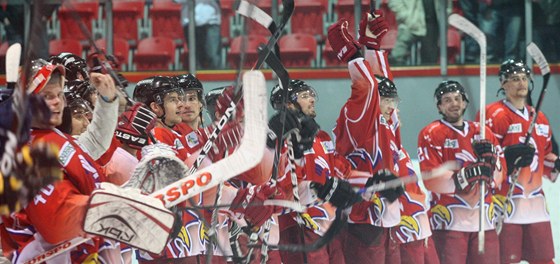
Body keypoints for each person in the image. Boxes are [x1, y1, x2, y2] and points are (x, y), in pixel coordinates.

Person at [0, 59, 148, 263]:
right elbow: (57, 221)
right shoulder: (27, 153)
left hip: (83, 251)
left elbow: (94, 141)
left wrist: (106, 100)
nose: (57, 102)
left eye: (59, 95)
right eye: (46, 96)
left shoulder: (52, 136)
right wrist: (115, 205)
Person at [268, 79, 361, 264]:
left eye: (311, 95)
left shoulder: (322, 137)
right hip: (300, 223)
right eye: (304, 96)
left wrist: (368, 183)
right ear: (288, 105)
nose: (312, 100)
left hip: (329, 223)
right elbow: (277, 184)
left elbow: (342, 171)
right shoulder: (278, 140)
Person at [417, 80, 505, 263]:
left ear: (465, 102)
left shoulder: (483, 132)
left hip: (484, 221)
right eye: (447, 100)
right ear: (439, 106)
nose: (454, 103)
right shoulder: (430, 133)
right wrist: (467, 175)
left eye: (458, 98)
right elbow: (430, 178)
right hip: (449, 223)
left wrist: (490, 165)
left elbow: (500, 174)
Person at [481, 59, 559, 263]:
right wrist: (506, 157)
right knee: (506, 259)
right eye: (515, 79)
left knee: (543, 259)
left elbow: (546, 157)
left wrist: (556, 163)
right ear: (502, 83)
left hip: (535, 202)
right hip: (504, 201)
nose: (521, 83)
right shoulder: (493, 114)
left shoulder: (539, 117)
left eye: (524, 78)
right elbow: (483, 156)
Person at [388, 0, 443, 65]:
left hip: (432, 24)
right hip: (410, 22)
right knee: (398, 56)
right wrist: (405, 15)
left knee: (430, 60)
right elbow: (394, 2)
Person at [176, 0, 222, 69]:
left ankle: (215, 78)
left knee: (212, 55)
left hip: (211, 21)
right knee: (195, 58)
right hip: (190, 21)